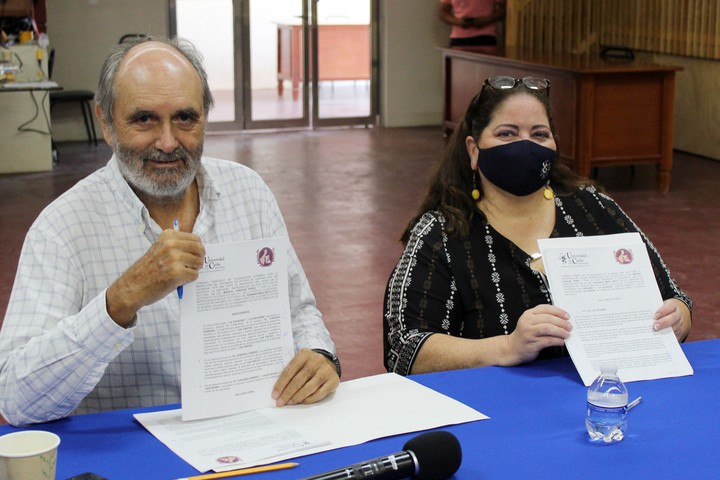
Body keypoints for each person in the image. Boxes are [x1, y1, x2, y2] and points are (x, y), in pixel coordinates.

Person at [0, 36, 341, 426]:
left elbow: (297, 309)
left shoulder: (248, 192)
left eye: (185, 118)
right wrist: (118, 303)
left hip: (253, 433)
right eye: (144, 119)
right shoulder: (62, 229)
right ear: (106, 124)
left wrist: (319, 355)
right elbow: (16, 398)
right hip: (135, 454)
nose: (167, 141)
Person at [383, 75, 692, 376]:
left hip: (605, 399)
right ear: (474, 150)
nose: (525, 146)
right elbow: (404, 349)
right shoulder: (443, 233)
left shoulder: (594, 208)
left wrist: (679, 317)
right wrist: (507, 347)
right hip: (496, 410)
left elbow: (674, 296)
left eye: (539, 134)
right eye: (507, 133)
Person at [439, 0, 507, 47]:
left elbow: (504, 9)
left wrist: (486, 20)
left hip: (485, 37)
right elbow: (443, 13)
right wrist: (458, 22)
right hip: (458, 38)